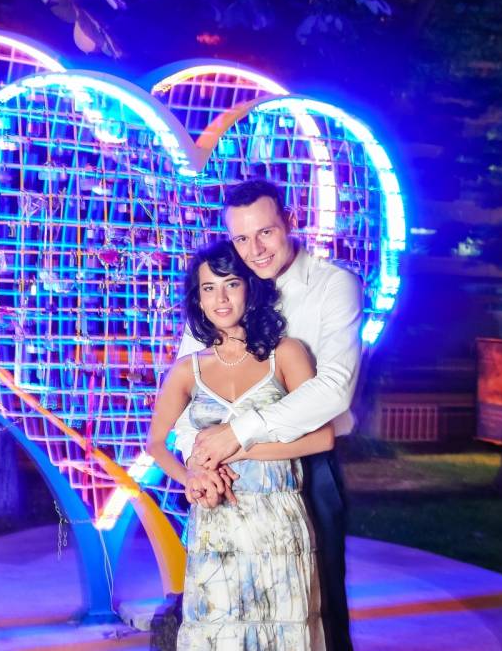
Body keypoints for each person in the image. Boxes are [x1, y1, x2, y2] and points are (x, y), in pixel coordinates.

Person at [175, 180, 363, 651]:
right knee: (229, 611)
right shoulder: (224, 288)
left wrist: (239, 433)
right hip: (224, 470)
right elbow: (186, 387)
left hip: (305, 465)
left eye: (266, 232)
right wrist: (196, 459)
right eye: (241, 238)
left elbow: (333, 389)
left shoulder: (332, 285)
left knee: (316, 608)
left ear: (290, 222)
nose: (254, 250)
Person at [147, 239, 335, 650]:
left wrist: (239, 447)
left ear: (250, 287)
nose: (221, 298)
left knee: (284, 635)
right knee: (219, 635)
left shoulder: (287, 354)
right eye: (209, 288)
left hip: (277, 520)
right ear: (197, 299)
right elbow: (156, 444)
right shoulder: (187, 370)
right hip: (216, 525)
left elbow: (322, 436)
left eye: (231, 284)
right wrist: (191, 475)